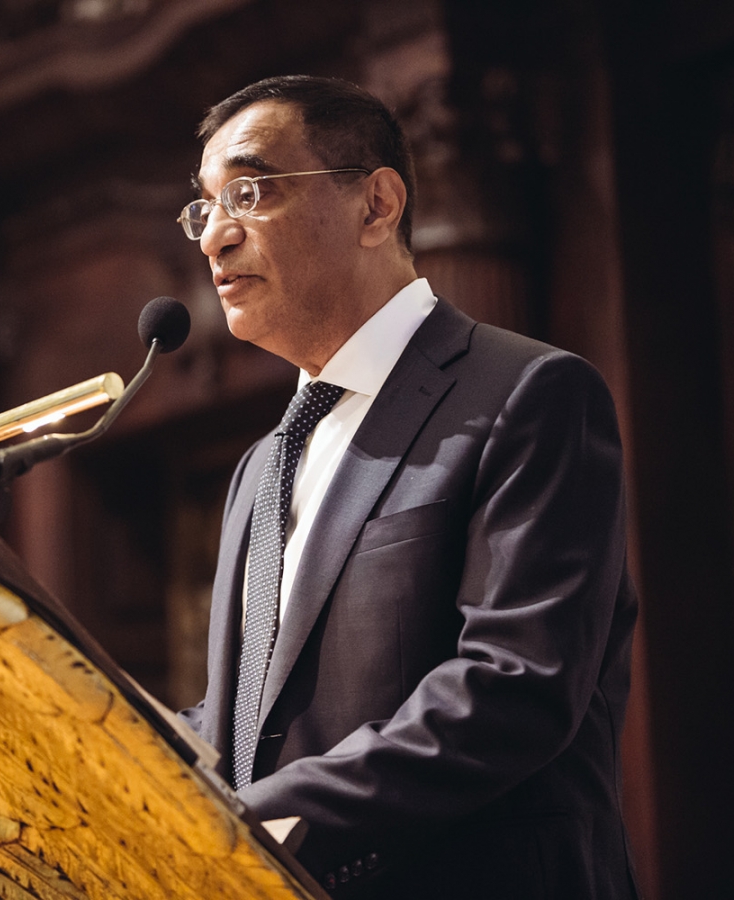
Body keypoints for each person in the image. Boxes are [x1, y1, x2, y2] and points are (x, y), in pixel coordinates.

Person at [175, 75, 639, 898]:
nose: (215, 236)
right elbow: (240, 723)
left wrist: (245, 829)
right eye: (203, 208)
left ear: (376, 205)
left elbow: (513, 686)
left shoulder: (525, 392)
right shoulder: (260, 465)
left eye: (249, 192)